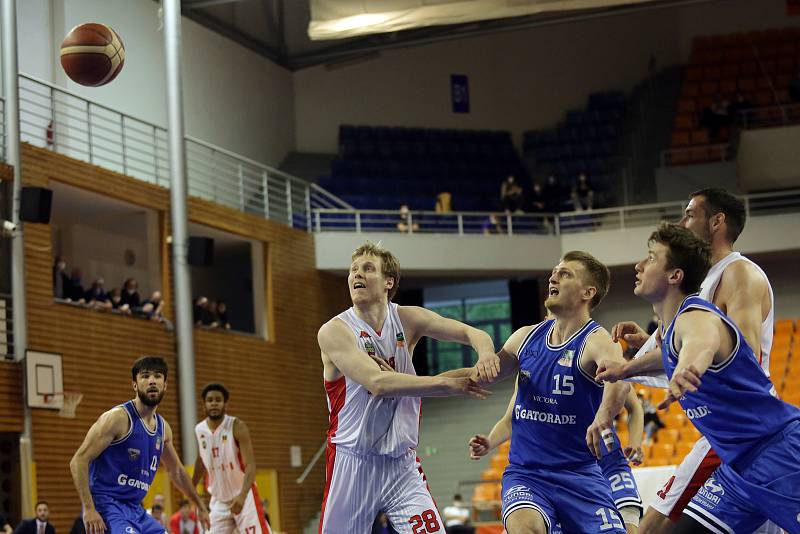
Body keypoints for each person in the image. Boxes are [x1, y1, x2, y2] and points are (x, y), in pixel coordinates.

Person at [597, 222, 800, 533]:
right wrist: (626, 369)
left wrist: (689, 367)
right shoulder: (675, 328)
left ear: (674, 276)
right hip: (736, 472)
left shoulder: (696, 316)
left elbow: (701, 342)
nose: (638, 265)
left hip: (780, 456)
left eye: (650, 258)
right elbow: (669, 351)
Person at [317, 241, 497, 533]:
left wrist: (486, 353)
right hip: (353, 461)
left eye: (367, 268)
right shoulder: (335, 331)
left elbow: (470, 332)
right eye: (353, 270)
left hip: (401, 464)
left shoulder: (407, 319)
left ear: (389, 282)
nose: (356, 275)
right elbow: (378, 383)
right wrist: (448, 383)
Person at [468, 251, 632, 534]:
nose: (553, 277)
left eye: (565, 273)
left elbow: (621, 381)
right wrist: (415, 381)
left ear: (587, 292)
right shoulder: (525, 337)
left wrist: (603, 417)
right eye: (554, 272)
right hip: (527, 475)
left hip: (580, 474)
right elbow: (484, 375)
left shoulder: (597, 341)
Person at [69, 356, 210, 534]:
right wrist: (89, 509)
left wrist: (199, 505)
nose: (152, 381)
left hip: (136, 510)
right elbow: (78, 461)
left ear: (165, 385)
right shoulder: (117, 418)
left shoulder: (163, 429)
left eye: (158, 376)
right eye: (145, 376)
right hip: (107, 506)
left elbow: (177, 472)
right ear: (135, 385)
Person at [193, 383, 272, 534]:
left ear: (225, 404)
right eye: (210, 400)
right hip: (219, 501)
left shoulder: (237, 426)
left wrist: (242, 496)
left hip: (243, 496)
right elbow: (201, 460)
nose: (214, 403)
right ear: (204, 405)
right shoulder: (199, 430)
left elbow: (250, 465)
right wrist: (191, 489)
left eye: (218, 400)